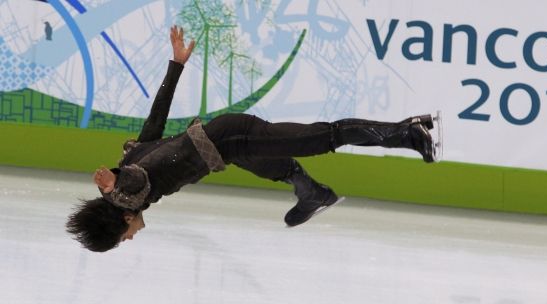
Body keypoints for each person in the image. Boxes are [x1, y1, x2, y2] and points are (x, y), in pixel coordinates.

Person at [66, 26, 441, 252]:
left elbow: (128, 186)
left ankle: (408, 132)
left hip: (235, 138)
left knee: (324, 137)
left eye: (122, 238)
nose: (129, 239)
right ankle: (311, 192)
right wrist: (175, 65)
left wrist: (114, 188)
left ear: (123, 218)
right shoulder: (134, 165)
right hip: (226, 146)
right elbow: (154, 122)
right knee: (272, 165)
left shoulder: (129, 192)